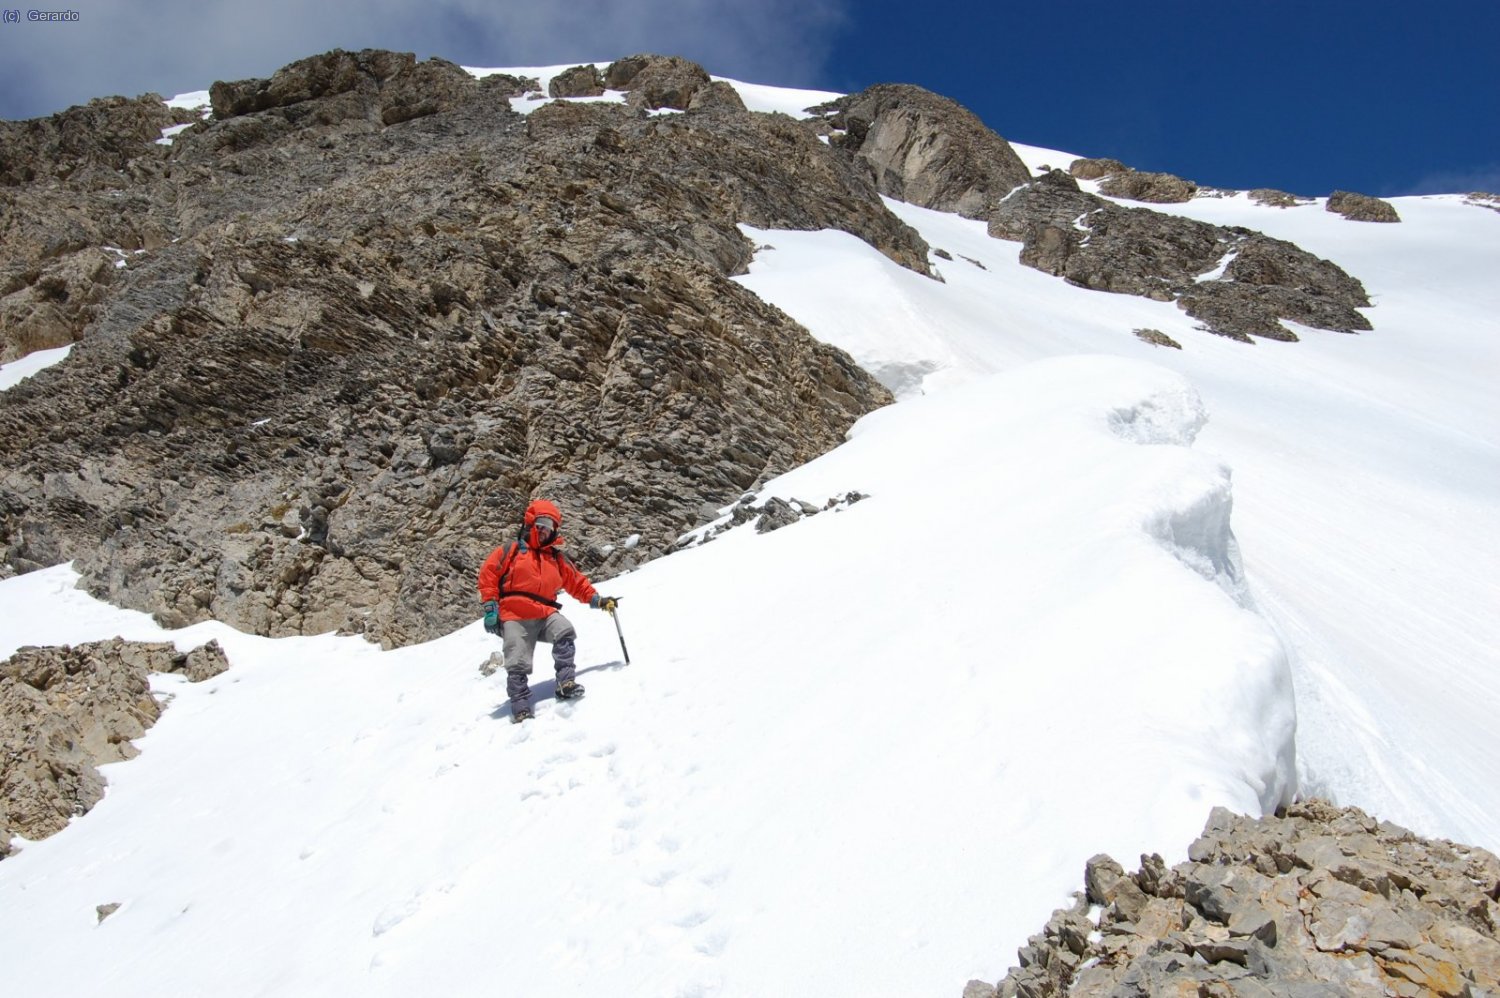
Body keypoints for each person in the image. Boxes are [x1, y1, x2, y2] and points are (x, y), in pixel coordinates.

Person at [477, 498, 617, 723]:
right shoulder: (511, 551)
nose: (544, 530)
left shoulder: (556, 558)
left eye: (550, 526)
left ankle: (565, 683)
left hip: (544, 612)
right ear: (530, 523)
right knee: (517, 659)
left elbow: (576, 582)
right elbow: (488, 576)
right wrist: (491, 607)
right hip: (514, 613)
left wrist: (597, 600)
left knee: (564, 630)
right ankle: (521, 706)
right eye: (540, 523)